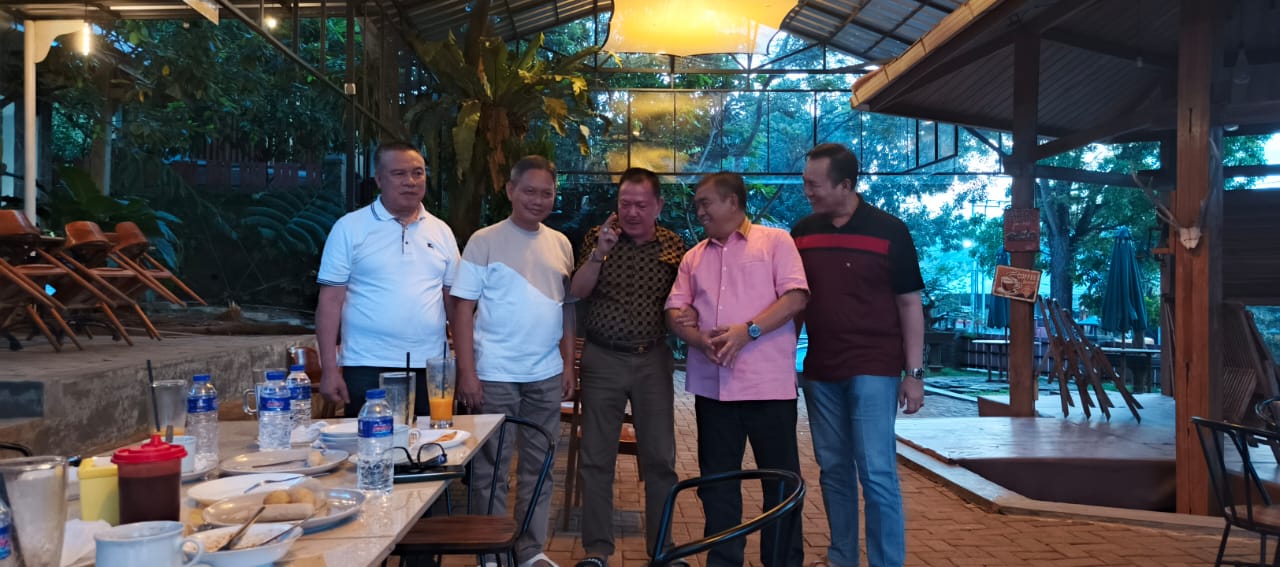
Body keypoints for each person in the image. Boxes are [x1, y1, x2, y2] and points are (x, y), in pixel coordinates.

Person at [792, 143, 925, 567]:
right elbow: (795, 301)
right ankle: (841, 557)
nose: (807, 191)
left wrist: (914, 374)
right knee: (833, 470)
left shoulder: (890, 231)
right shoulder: (802, 232)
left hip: (874, 367)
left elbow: (909, 303)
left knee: (876, 471)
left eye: (814, 184)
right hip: (820, 370)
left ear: (845, 185)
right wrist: (782, 361)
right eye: (805, 183)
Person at [665, 172, 808, 567]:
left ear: (732, 202)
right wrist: (697, 338)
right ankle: (724, 561)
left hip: (768, 389)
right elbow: (674, 311)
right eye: (698, 204)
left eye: (705, 202)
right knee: (717, 486)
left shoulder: (775, 242)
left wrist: (749, 331)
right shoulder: (694, 256)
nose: (699, 210)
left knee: (780, 485)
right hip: (714, 391)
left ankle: (781, 562)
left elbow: (796, 297)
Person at [450, 155, 575, 567]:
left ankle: (530, 551)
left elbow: (566, 309)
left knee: (540, 468)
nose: (538, 200)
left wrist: (567, 365)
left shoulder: (561, 243)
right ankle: (489, 553)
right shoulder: (484, 240)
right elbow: (462, 309)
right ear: (510, 190)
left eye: (546, 193)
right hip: (494, 374)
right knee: (490, 469)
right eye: (529, 191)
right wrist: (467, 372)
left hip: (545, 374)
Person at [569, 168, 686, 567]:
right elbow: (577, 292)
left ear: (658, 206)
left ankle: (662, 549)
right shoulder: (597, 237)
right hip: (602, 358)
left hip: (652, 358)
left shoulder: (673, 245)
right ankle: (596, 550)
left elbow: (685, 298)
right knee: (596, 457)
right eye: (625, 204)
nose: (632, 212)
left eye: (641, 205)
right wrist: (599, 253)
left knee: (660, 458)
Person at [316, 141, 459, 416]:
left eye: (418, 173)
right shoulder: (349, 228)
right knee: (371, 440)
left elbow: (454, 304)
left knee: (431, 442)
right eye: (399, 174)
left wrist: (465, 366)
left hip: (430, 366)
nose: (410, 181)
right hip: (367, 365)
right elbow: (330, 302)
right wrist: (329, 370)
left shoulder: (441, 231)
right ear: (379, 179)